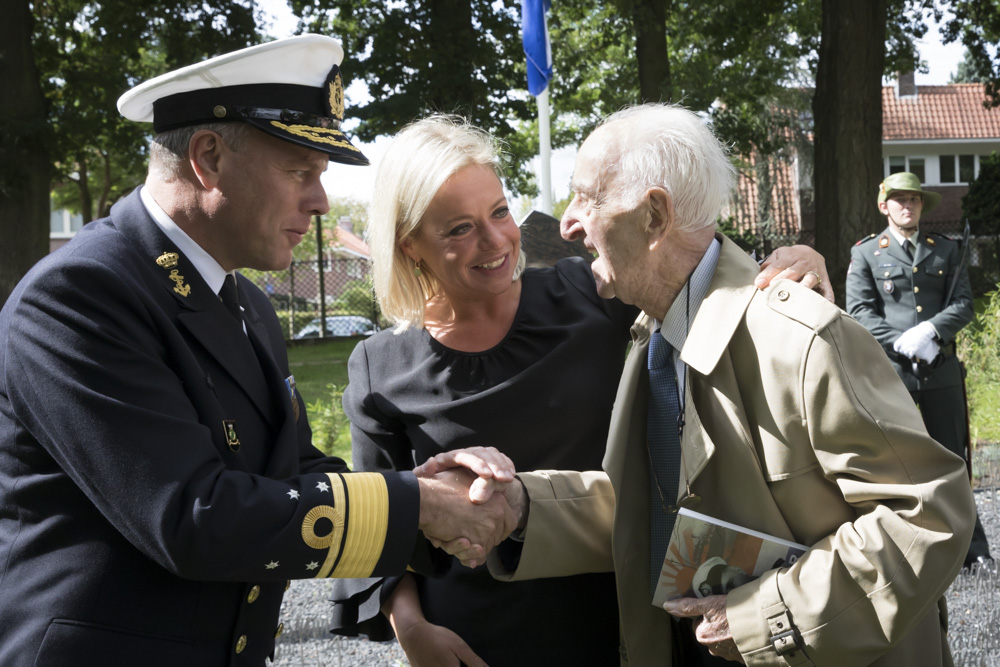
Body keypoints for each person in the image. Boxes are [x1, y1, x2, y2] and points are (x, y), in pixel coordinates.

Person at [0, 35, 516, 666]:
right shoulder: (79, 294)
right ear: (209, 157)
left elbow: (293, 473)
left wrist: (427, 490)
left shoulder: (244, 303)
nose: (321, 202)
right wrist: (419, 508)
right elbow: (194, 516)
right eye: (300, 171)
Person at [452, 104, 975, 666]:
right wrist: (522, 507)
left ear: (655, 215)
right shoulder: (653, 336)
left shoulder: (799, 339)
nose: (567, 223)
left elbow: (928, 516)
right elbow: (657, 510)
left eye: (588, 197)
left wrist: (762, 619)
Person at [327, 114, 833, 667]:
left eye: (499, 212)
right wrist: (413, 629)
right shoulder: (380, 366)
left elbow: (701, 281)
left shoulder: (588, 293)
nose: (495, 240)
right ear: (410, 246)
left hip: (621, 615)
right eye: (459, 229)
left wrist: (797, 262)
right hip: (477, 637)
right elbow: (377, 522)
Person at [845, 171, 993, 571]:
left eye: (913, 199)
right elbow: (858, 313)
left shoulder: (946, 250)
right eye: (899, 200)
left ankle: (973, 550)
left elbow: (963, 304)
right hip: (892, 375)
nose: (907, 206)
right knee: (899, 465)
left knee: (953, 460)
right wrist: (901, 339)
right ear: (884, 206)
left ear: (922, 205)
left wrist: (931, 330)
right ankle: (907, 552)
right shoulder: (866, 254)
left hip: (941, 372)